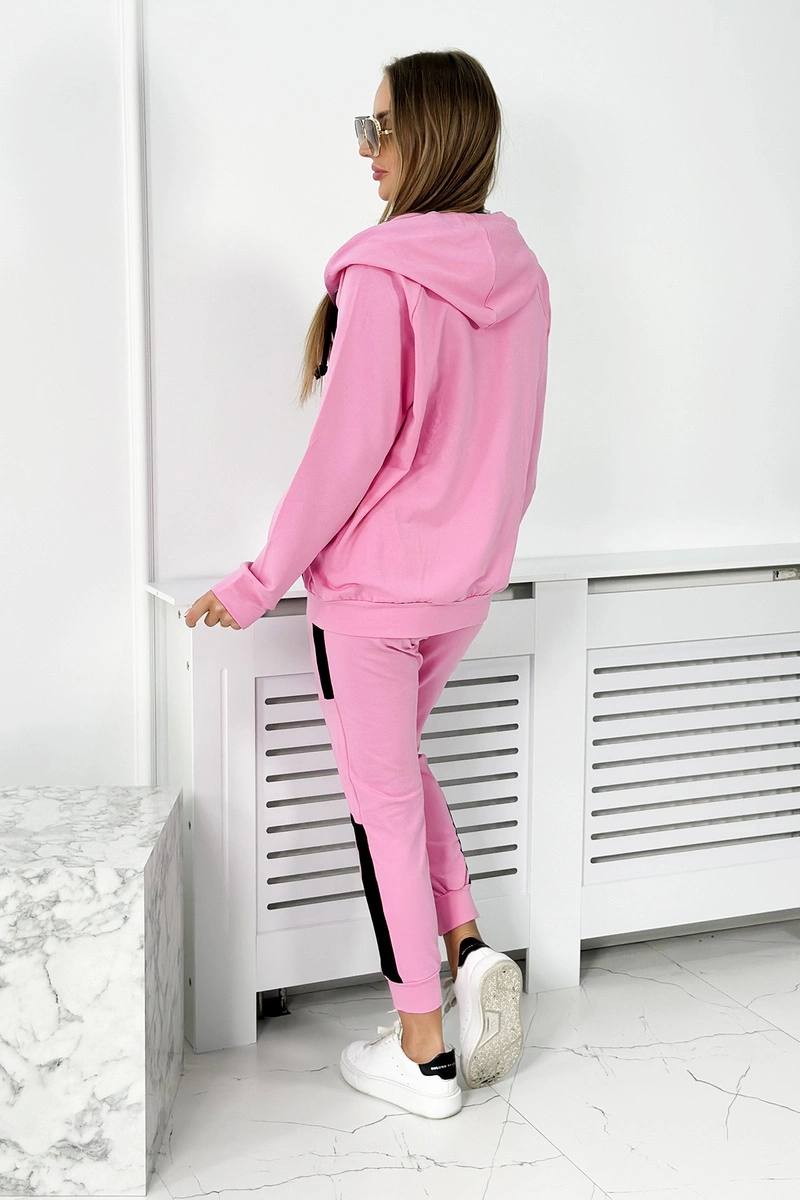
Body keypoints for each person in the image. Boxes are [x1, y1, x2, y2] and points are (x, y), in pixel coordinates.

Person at [185, 48, 551, 1120]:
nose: (366, 149)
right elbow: (518, 448)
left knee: (377, 800)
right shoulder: (523, 277)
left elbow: (344, 455)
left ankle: (422, 1052)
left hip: (373, 595)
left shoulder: (386, 275)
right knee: (394, 771)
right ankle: (468, 944)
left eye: (380, 127)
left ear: (430, 135)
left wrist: (259, 580)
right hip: (463, 590)